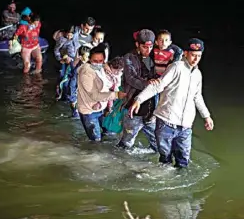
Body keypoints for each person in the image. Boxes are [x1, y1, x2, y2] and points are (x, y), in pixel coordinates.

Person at [128, 38, 214, 168]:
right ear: (185, 53)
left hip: (185, 126)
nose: (196, 59)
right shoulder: (176, 67)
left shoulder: (198, 74)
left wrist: (206, 116)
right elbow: (158, 86)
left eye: (199, 56)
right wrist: (138, 99)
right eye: (193, 55)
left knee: (183, 161)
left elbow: (197, 97)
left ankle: (182, 185)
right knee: (165, 161)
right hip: (166, 123)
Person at [116, 29, 159, 152]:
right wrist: (148, 84)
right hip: (132, 108)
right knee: (126, 142)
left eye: (150, 47)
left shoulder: (156, 57)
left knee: (157, 143)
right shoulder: (129, 58)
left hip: (151, 109)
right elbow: (131, 79)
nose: (148, 50)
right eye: (145, 47)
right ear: (137, 45)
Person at [77, 43, 126, 141]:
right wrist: (116, 95)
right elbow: (94, 95)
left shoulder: (102, 68)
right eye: (95, 61)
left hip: (102, 109)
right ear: (89, 59)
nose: (98, 64)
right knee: (95, 141)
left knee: (110, 134)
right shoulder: (86, 72)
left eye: (101, 61)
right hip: (88, 111)